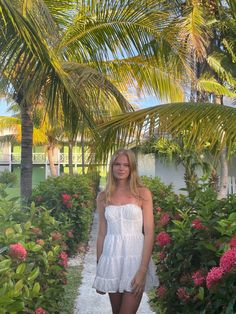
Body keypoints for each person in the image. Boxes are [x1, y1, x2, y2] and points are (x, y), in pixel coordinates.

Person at [92, 148, 158, 314]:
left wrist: (143, 270)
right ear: (112, 167)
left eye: (126, 165)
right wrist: (101, 270)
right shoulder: (103, 197)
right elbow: (101, 234)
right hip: (111, 259)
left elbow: (149, 233)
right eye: (117, 164)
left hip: (134, 260)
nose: (121, 168)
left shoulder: (143, 193)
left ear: (132, 169)